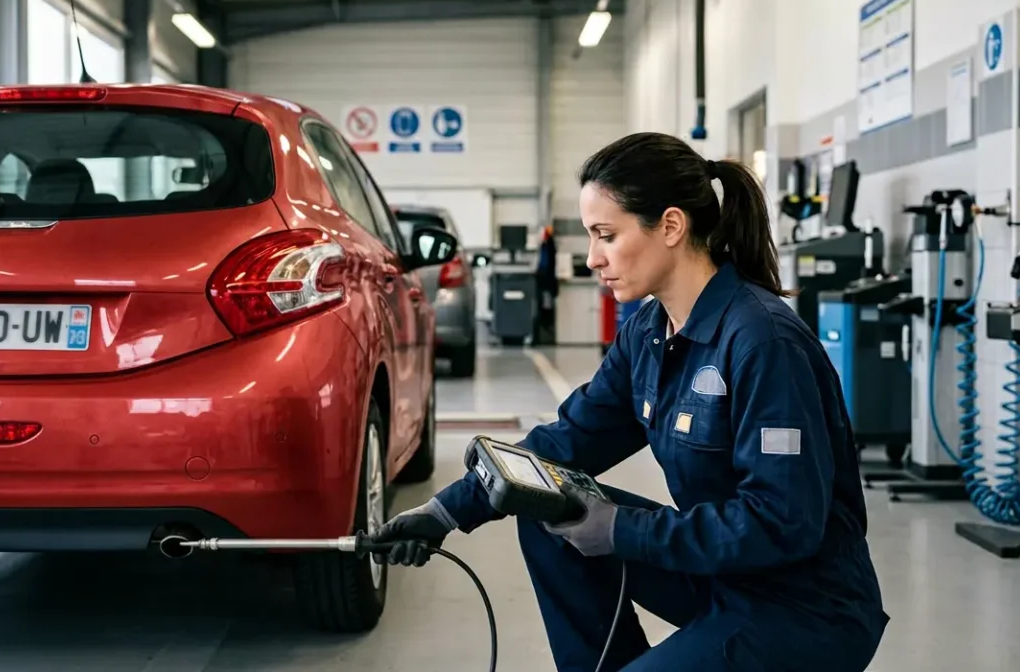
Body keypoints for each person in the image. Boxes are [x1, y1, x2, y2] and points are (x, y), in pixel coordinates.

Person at [369, 132, 889, 671]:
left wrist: (622, 530)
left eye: (607, 235)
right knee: (546, 506)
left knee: (579, 516)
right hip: (724, 575)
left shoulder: (762, 341)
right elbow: (571, 439)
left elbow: (783, 522)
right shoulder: (649, 332)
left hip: (803, 609)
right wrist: (446, 511)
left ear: (671, 226)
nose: (593, 258)